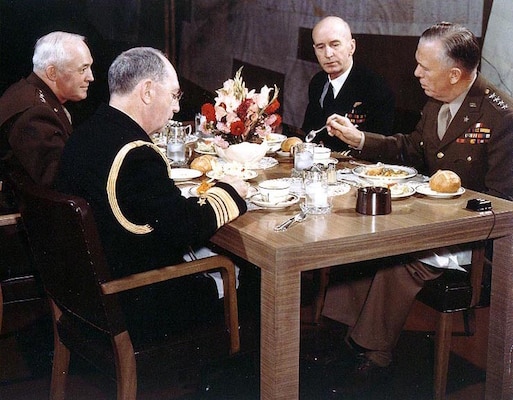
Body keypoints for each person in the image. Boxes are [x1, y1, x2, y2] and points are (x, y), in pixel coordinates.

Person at [321, 22, 513, 395]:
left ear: (455, 74)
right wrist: (361, 139)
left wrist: (440, 215)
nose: (416, 73)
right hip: (435, 223)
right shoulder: (439, 99)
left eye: (424, 67)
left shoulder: (501, 116)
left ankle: (374, 355)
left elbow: (502, 203)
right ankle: (342, 337)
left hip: (478, 241)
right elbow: (412, 147)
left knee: (398, 260)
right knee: (364, 243)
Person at [55, 47, 248, 333]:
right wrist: (230, 191)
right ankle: (235, 368)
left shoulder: (87, 132)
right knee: (249, 272)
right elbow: (186, 227)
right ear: (147, 91)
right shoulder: (137, 153)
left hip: (87, 298)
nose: (176, 108)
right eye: (173, 95)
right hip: (138, 302)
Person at [0, 31, 94, 186]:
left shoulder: (25, 90)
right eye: (83, 69)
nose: (90, 77)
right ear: (52, 72)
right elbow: (57, 180)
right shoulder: (35, 113)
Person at [302, 16, 395, 152]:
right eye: (320, 47)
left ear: (351, 47)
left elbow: (381, 147)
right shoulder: (318, 82)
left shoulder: (376, 87)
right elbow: (309, 132)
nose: (328, 54)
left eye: (335, 44)